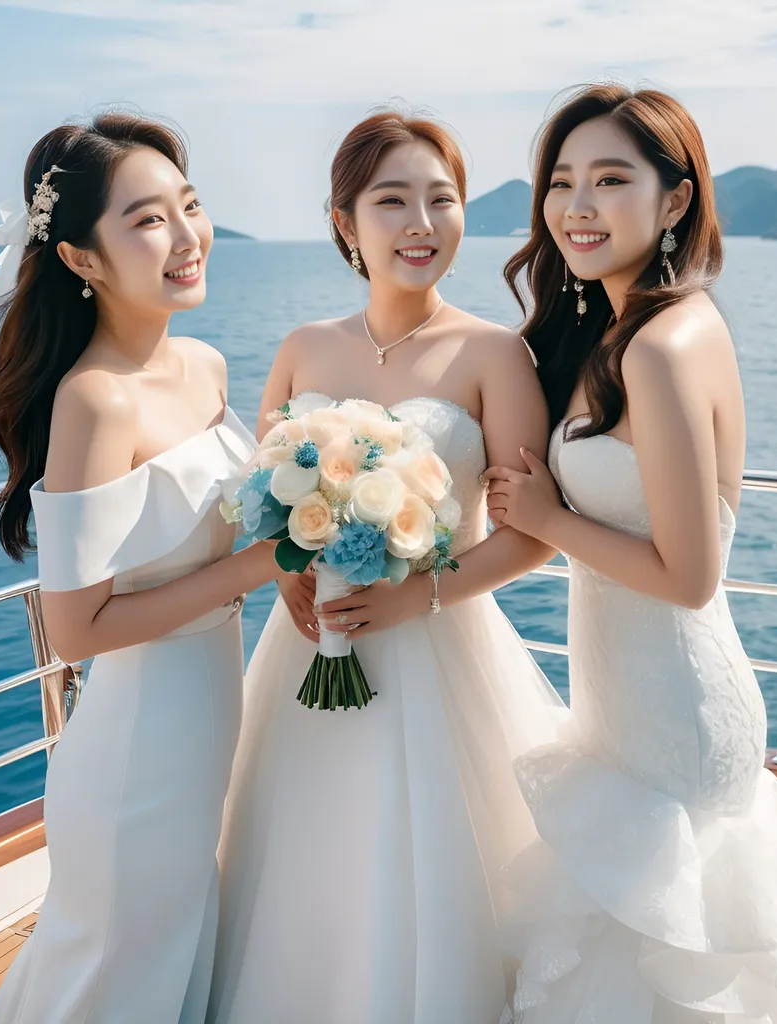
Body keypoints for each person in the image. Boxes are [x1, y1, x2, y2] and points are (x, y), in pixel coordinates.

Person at [486, 83, 777, 1022]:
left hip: (676, 716)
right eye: (562, 182)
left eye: (611, 179)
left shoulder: (661, 347)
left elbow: (690, 576)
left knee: (675, 969)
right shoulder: (616, 330)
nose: (578, 206)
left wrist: (547, 520)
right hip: (628, 709)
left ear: (675, 201)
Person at [206, 111, 568, 1024]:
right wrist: (289, 571)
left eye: (442, 200)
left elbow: (534, 534)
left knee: (430, 865)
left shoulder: (494, 353)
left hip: (438, 649)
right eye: (392, 200)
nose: (421, 222)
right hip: (306, 646)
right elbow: (264, 504)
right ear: (344, 220)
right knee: (304, 857)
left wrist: (425, 597)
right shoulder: (303, 346)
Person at [0, 112, 276, 1024]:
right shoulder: (94, 404)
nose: (186, 238)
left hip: (210, 717)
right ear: (81, 260)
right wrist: (265, 564)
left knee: (172, 948)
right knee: (116, 966)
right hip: (138, 745)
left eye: (189, 206)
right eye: (147, 221)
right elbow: (75, 629)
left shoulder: (207, 364)